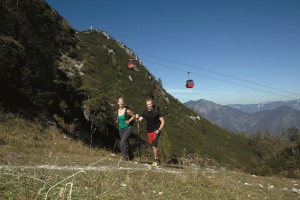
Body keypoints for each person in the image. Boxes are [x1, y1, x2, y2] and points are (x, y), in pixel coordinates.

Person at [136, 99, 165, 166]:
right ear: (146, 105)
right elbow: (139, 121)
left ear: (152, 104)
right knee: (152, 147)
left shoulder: (157, 112)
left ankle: (156, 161)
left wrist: (159, 130)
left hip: (156, 131)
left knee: (154, 146)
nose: (149, 105)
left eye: (150, 104)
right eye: (147, 104)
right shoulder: (145, 112)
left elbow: (163, 121)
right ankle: (157, 159)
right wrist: (137, 118)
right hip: (149, 131)